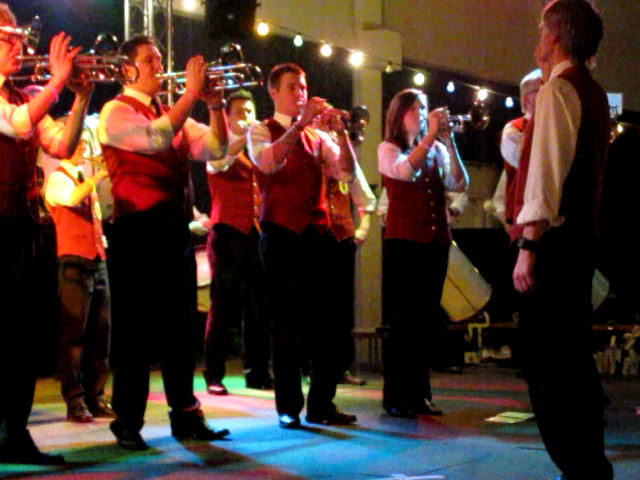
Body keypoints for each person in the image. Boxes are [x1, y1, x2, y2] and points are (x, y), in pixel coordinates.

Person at [98, 34, 230, 450]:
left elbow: (216, 149)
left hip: (173, 230)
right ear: (127, 69)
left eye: (159, 58)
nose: (160, 65)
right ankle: (127, 421)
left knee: (180, 329)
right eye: (150, 60)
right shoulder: (115, 111)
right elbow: (155, 139)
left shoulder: (171, 112)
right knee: (134, 332)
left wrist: (215, 106)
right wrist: (191, 94)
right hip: (136, 231)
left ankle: (186, 414)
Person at [511, 1, 613, 478]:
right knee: (572, 359)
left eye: (541, 30)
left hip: (555, 243)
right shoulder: (593, 92)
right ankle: (588, 464)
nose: (537, 39)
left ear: (555, 37)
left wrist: (528, 248)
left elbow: (545, 177)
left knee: (549, 365)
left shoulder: (558, 89)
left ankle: (578, 466)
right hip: (581, 240)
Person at [0, 2, 92, 464]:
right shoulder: (19, 104)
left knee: (21, 337)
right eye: (8, 37)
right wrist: (57, 82)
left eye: (19, 36)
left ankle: (14, 433)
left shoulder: (24, 95)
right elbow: (16, 125)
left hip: (23, 228)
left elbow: (63, 144)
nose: (19, 44)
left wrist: (80, 98)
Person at [247, 63, 357, 428]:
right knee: (286, 325)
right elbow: (268, 163)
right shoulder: (261, 129)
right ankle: (288, 407)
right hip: (280, 235)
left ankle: (322, 403)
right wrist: (300, 125)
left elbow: (345, 173)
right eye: (292, 87)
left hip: (317, 235)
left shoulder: (317, 136)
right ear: (273, 92)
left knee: (328, 324)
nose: (300, 94)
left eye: (304, 87)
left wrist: (342, 135)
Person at [378, 88, 468, 418]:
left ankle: (420, 394)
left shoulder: (437, 149)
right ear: (399, 115)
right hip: (404, 243)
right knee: (403, 322)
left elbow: (459, 184)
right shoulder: (388, 148)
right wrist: (431, 137)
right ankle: (395, 396)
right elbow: (406, 171)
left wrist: (450, 143)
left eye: (425, 108)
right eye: (415, 109)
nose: (421, 114)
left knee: (426, 320)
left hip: (435, 243)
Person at [203, 89, 272, 395]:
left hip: (257, 233)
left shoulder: (258, 148)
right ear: (227, 118)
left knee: (258, 308)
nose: (247, 117)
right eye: (240, 112)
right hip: (228, 233)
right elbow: (218, 163)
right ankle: (213, 373)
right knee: (222, 306)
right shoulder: (218, 145)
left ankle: (257, 371)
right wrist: (244, 136)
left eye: (250, 111)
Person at [44, 138, 113, 423]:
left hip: (97, 260)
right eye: (78, 142)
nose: (83, 147)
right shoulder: (57, 179)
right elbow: (72, 199)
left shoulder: (85, 180)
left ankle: (96, 396)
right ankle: (75, 400)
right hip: (73, 262)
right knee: (74, 335)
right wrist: (100, 175)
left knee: (102, 332)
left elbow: (97, 217)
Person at [485, 69, 543, 231]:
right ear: (527, 98)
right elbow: (530, 164)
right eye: (541, 91)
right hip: (523, 219)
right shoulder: (513, 129)